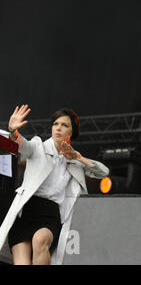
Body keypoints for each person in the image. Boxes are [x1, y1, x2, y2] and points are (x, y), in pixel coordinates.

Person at [0, 105, 109, 265]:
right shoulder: (38, 146)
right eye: (56, 124)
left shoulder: (74, 160)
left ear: (72, 132)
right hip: (25, 214)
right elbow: (21, 145)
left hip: (49, 216)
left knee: (40, 240)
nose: (58, 128)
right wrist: (12, 131)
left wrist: (78, 157)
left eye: (65, 125)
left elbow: (103, 172)